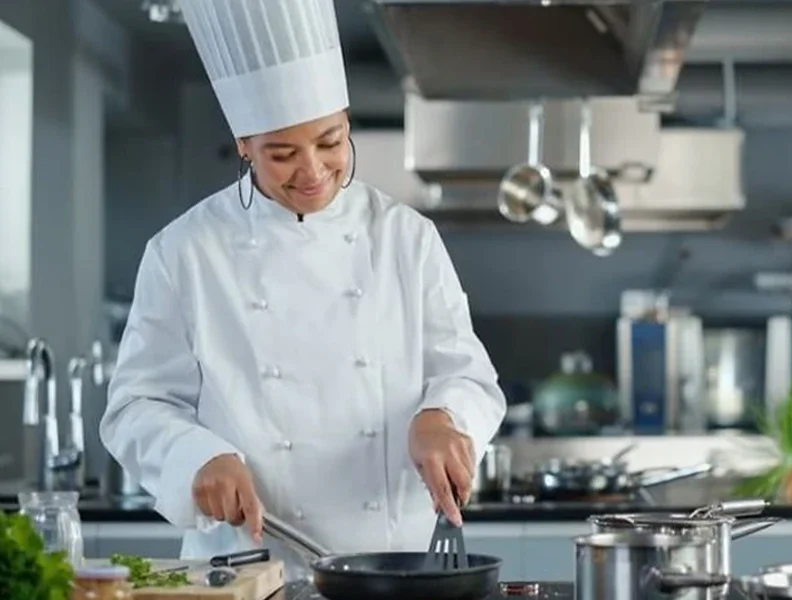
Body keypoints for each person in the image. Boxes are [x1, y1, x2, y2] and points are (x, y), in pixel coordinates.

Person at [99, 0, 506, 574]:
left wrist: (442, 418)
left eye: (331, 141)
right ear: (244, 145)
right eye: (282, 154)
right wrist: (198, 456)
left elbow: (467, 375)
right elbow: (135, 406)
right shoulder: (184, 252)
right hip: (243, 564)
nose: (314, 171)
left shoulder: (405, 237)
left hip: (389, 568)